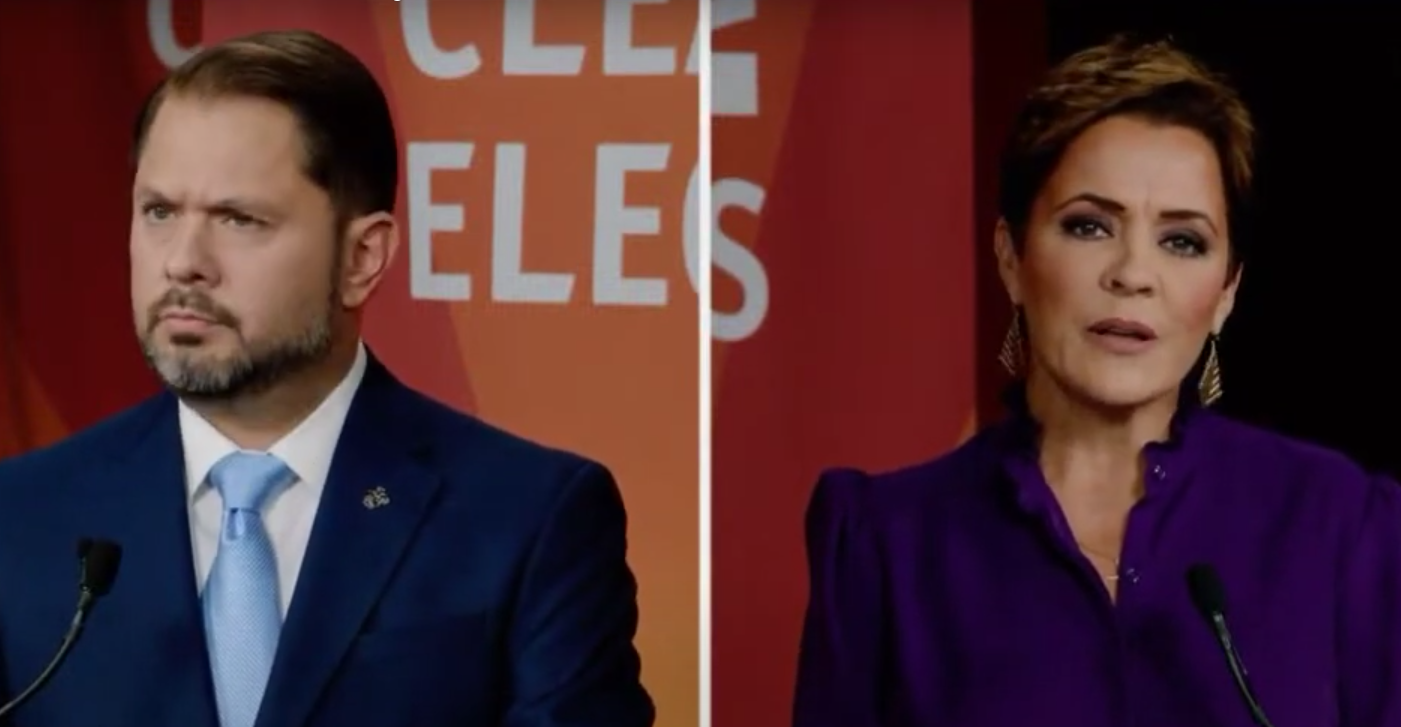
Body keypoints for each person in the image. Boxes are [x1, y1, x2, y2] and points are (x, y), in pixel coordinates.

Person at [0, 30, 654, 727]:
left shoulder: (530, 519)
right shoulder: (19, 516)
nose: (182, 261)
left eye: (239, 219)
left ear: (361, 258)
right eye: (159, 211)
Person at [793, 36, 1401, 727]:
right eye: (1089, 226)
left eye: (1182, 241)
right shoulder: (886, 541)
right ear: (1012, 257)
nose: (1132, 273)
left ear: (1226, 292)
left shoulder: (1339, 525)